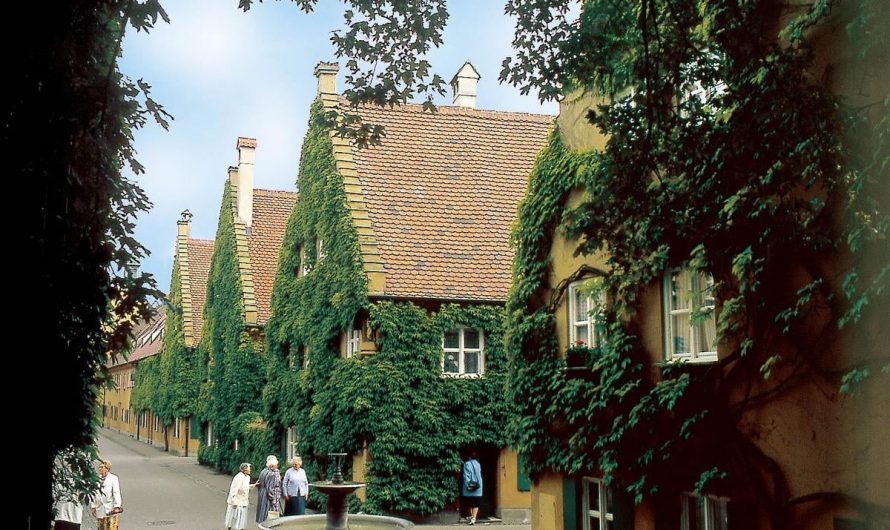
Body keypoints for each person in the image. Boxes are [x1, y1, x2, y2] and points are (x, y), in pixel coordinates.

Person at [91, 460, 122, 530]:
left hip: (110, 508)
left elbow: (116, 493)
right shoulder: (96, 479)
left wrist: (117, 506)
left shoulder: (113, 479)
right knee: (101, 527)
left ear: (107, 469)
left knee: (111, 527)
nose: (100, 469)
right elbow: (93, 493)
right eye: (99, 467)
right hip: (100, 508)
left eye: (102, 467)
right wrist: (93, 506)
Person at [255, 455, 282, 524]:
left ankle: (261, 523)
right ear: (272, 466)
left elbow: (259, 483)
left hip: (262, 492)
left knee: (262, 511)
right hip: (268, 495)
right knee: (270, 512)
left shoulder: (263, 471)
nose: (277, 467)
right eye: (276, 465)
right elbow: (270, 488)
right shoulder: (272, 474)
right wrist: (272, 498)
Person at [225, 463, 252, 530]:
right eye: (249, 468)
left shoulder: (247, 477)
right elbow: (234, 489)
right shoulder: (239, 477)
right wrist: (234, 500)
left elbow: (245, 487)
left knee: (241, 518)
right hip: (237, 501)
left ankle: (240, 528)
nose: (250, 470)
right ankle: (230, 528)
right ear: (245, 470)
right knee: (234, 516)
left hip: (244, 501)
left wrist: (253, 485)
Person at [461, 452, 482, 525]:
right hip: (478, 487)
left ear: (469, 457)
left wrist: (468, 486)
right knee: (476, 503)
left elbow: (466, 476)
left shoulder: (467, 464)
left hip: (470, 486)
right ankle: (473, 518)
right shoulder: (478, 464)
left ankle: (471, 516)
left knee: (469, 502)